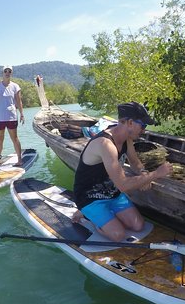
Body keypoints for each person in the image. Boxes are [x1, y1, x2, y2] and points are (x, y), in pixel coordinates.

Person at [73, 102, 173, 241]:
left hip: (112, 194)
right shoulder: (105, 144)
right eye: (143, 125)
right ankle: (86, 214)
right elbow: (123, 185)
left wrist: (143, 173)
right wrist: (155, 174)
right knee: (118, 235)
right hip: (90, 197)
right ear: (130, 123)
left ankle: (104, 215)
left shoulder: (127, 139)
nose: (144, 130)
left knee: (138, 226)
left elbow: (135, 163)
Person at [0, 65, 25, 166]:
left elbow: (19, 101)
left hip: (11, 117)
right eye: (5, 71)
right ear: (2, 73)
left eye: (9, 71)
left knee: (14, 138)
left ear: (11, 73)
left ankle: (19, 160)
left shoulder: (15, 86)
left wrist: (22, 114)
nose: (7, 73)